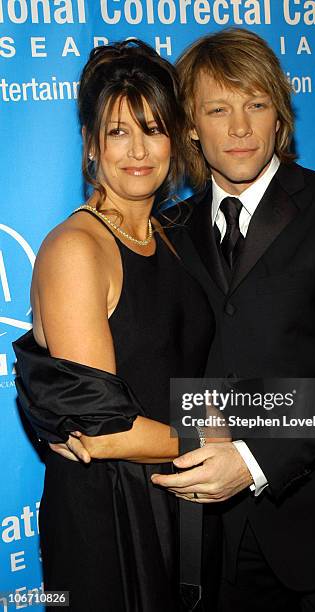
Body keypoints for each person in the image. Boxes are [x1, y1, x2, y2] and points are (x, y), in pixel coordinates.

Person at [150, 28, 315, 611]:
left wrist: (254, 459)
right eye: (218, 108)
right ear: (189, 126)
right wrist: (74, 415)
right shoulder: (168, 231)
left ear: (279, 118)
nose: (240, 128)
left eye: (256, 105)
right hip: (209, 550)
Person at [13, 39, 219, 612]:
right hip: (106, 517)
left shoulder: (174, 237)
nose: (138, 151)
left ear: (175, 138)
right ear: (90, 146)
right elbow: (103, 431)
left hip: (178, 497)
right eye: (117, 132)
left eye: (152, 129)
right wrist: (220, 444)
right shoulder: (77, 248)